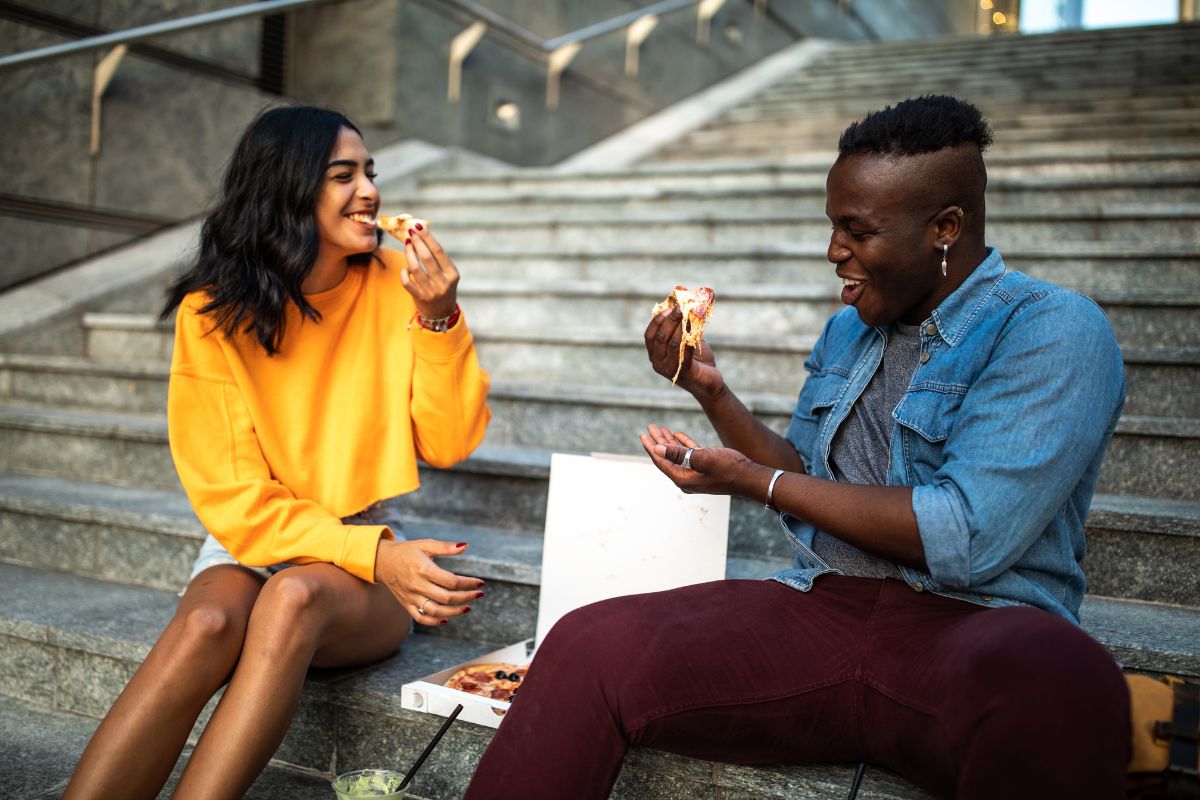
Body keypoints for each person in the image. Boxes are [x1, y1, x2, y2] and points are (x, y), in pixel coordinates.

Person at [464, 95, 1131, 799]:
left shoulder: (1053, 330)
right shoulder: (848, 330)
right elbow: (808, 478)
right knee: (587, 644)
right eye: (832, 225)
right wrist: (709, 391)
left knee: (1063, 678)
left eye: (857, 229)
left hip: (971, 630)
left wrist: (756, 482)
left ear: (945, 228)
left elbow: (965, 534)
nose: (834, 251)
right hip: (819, 612)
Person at [64, 105, 491, 800]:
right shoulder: (211, 312)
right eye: (342, 175)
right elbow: (234, 499)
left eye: (370, 172)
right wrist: (375, 553)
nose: (371, 191)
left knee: (291, 597)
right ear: (287, 188)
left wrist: (439, 320)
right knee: (205, 622)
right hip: (252, 540)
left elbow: (450, 441)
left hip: (357, 551)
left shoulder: (396, 284)